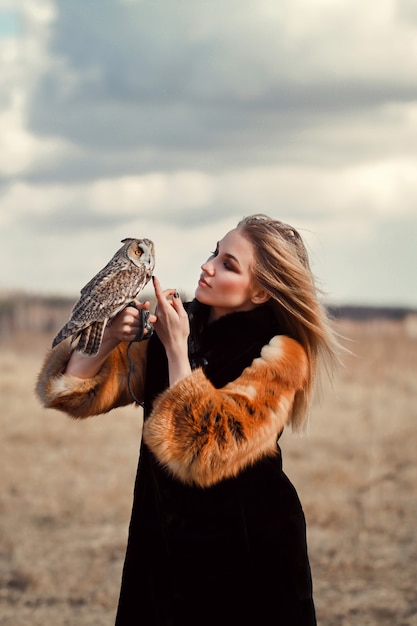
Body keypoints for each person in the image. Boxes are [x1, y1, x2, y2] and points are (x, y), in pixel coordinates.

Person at [36, 214, 340, 626]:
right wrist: (108, 337)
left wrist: (178, 351)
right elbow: (74, 393)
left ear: (262, 291)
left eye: (229, 264)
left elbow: (203, 451)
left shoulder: (279, 356)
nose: (208, 265)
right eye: (215, 251)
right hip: (163, 544)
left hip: (248, 551)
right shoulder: (174, 323)